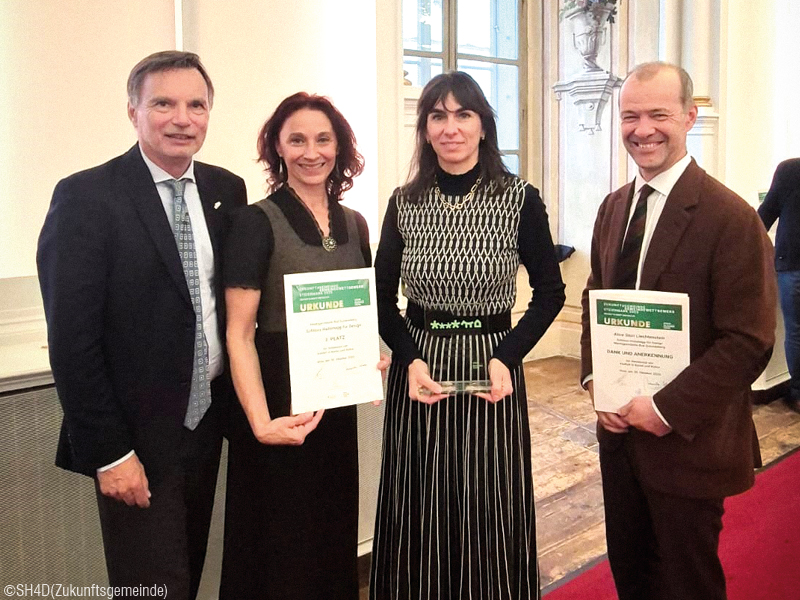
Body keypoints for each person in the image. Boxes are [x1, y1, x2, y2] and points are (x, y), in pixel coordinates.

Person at [37, 51, 247, 598]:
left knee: (189, 569)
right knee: (150, 586)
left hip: (207, 423)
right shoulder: (86, 197)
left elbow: (236, 304)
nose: (182, 119)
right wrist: (110, 453)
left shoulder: (227, 191)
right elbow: (72, 343)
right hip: (135, 439)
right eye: (163, 104)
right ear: (133, 111)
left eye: (196, 105)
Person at [580, 62, 776, 600]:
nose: (642, 129)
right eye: (630, 116)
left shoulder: (731, 218)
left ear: (689, 117)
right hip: (619, 436)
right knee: (632, 573)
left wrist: (665, 409)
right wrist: (596, 381)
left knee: (688, 583)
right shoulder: (613, 208)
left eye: (658, 115)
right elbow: (595, 300)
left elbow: (748, 340)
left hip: (690, 442)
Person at [370, 71, 566, 600]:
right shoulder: (404, 202)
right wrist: (409, 358)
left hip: (492, 363)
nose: (450, 128)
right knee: (419, 496)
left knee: (490, 497)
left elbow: (550, 292)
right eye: (438, 116)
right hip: (420, 363)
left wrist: (508, 356)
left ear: (483, 125)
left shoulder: (518, 198)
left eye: (463, 115)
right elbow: (381, 297)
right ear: (425, 128)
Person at [220, 92, 387, 600]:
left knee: (331, 526)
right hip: (276, 403)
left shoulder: (355, 223)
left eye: (322, 140)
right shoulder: (254, 222)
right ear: (277, 147)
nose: (311, 152)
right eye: (296, 140)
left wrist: (369, 356)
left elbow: (357, 312)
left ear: (339, 147)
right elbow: (238, 334)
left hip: (334, 404)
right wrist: (260, 422)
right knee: (279, 540)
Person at [758, 159, 800, 414]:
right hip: (791, 264)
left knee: (795, 332)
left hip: (791, 264)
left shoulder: (789, 170)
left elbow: (763, 216)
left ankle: (799, 394)